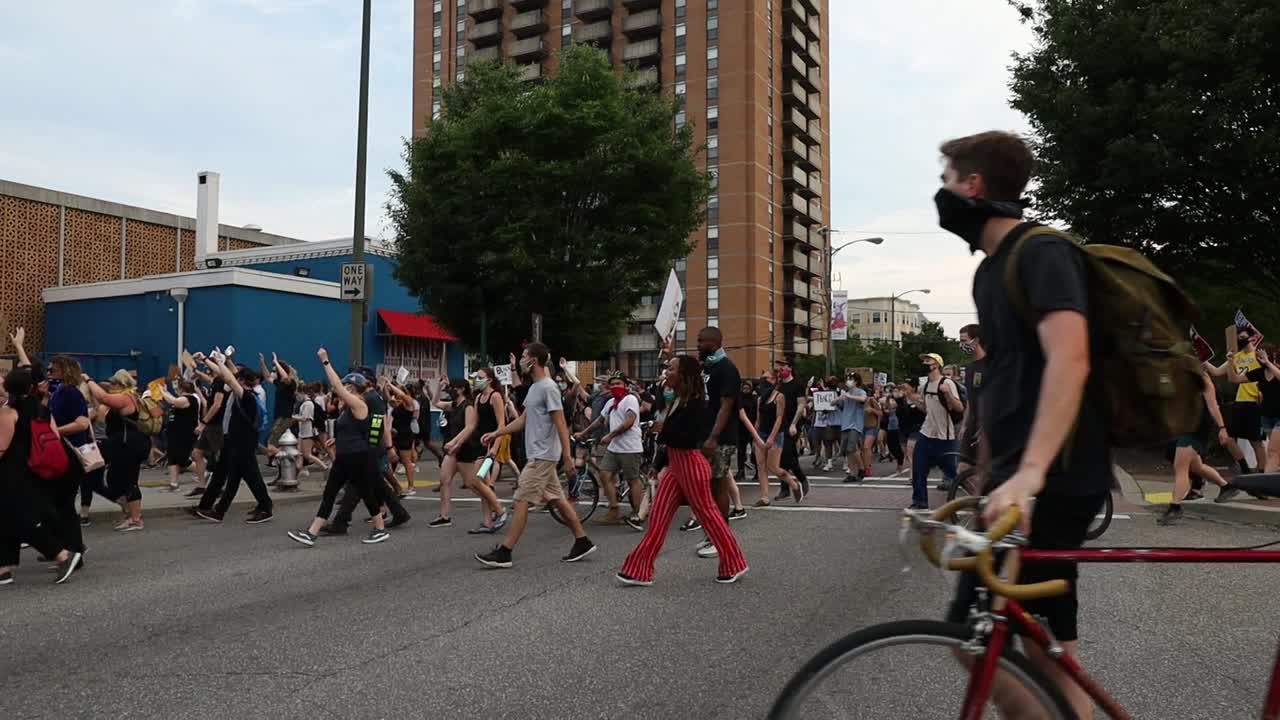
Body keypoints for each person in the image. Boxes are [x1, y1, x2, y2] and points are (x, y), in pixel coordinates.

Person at [935, 130, 1112, 719]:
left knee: (979, 635)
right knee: (1042, 646)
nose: (943, 193)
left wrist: (1031, 472)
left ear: (974, 185)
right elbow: (1010, 378)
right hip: (1020, 475)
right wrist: (986, 471)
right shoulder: (989, 273)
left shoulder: (1042, 251)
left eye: (947, 180)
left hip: (1058, 473)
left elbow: (1071, 356)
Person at [617, 355, 749, 586]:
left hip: (692, 466)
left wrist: (663, 428)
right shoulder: (677, 399)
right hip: (676, 468)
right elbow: (670, 443)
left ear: (684, 375)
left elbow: (690, 439)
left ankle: (734, 563)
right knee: (657, 519)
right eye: (668, 368)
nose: (667, 372)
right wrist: (657, 465)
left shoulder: (698, 403)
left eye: (672, 369)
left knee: (710, 518)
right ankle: (639, 570)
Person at [474, 343, 595, 569]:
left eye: (523, 357)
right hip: (539, 455)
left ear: (534, 361)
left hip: (543, 456)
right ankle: (582, 540)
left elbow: (560, 423)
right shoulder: (535, 388)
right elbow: (523, 420)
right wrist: (497, 432)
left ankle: (505, 551)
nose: (520, 361)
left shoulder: (549, 388)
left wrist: (567, 458)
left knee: (520, 499)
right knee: (557, 499)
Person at [287, 349, 390, 547]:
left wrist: (326, 362)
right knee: (332, 492)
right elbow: (351, 428)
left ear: (353, 388)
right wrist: (336, 440)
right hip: (346, 456)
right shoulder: (349, 409)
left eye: (347, 386)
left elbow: (335, 385)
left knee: (366, 493)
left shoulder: (360, 404)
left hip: (358, 456)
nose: (343, 388)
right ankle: (312, 533)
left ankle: (379, 529)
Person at [0, 367, 83, 585]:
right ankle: (4, 567)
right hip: (36, 469)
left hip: (11, 473)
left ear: (8, 388)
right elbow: (54, 437)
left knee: (19, 519)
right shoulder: (42, 409)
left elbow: (1, 447)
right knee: (8, 518)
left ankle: (62, 554)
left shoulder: (8, 412)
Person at [194, 357, 275, 524]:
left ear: (242, 381)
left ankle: (266, 507)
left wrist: (221, 362)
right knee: (235, 478)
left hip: (244, 444)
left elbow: (229, 378)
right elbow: (228, 377)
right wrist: (214, 362)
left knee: (252, 477)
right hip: (237, 442)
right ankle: (220, 511)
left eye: (237, 379)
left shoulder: (249, 398)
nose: (232, 381)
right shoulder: (244, 397)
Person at [1161, 368, 1241, 524]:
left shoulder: (1203, 379)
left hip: (1197, 427)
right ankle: (1226, 487)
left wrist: (1222, 428)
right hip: (1184, 426)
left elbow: (1213, 406)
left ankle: (1175, 507)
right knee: (1196, 466)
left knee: (1181, 467)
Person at [85, 369, 150, 531]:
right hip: (121, 444)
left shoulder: (127, 397)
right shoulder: (121, 398)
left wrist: (88, 379)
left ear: (121, 384)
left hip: (129, 444)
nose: (110, 385)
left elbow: (103, 397)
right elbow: (99, 406)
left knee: (129, 480)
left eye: (113, 383)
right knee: (115, 478)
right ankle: (129, 514)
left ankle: (136, 519)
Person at [576, 372, 644, 525]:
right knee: (604, 475)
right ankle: (614, 510)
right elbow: (599, 421)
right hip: (614, 448)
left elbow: (629, 421)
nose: (615, 387)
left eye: (618, 384)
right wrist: (584, 433)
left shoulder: (630, 399)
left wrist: (610, 436)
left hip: (630, 447)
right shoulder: (611, 402)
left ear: (625, 385)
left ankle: (637, 513)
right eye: (612, 384)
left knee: (633, 480)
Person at [46, 356, 97, 548]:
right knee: (59, 503)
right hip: (63, 452)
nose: (49, 373)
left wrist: (54, 431)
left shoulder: (70, 393)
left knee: (64, 503)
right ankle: (63, 547)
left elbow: (82, 423)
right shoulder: (59, 391)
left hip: (71, 453)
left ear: (64, 371)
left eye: (52, 370)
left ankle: (72, 549)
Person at [902, 353, 962, 508]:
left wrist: (948, 393)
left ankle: (976, 497)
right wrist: (913, 397)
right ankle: (919, 501)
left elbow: (960, 407)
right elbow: (927, 410)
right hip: (927, 433)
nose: (924, 362)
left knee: (952, 473)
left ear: (936, 365)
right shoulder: (925, 386)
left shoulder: (947, 382)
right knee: (918, 468)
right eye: (923, 360)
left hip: (945, 436)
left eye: (927, 360)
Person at [741, 370, 802, 506]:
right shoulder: (760, 398)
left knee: (773, 467)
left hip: (775, 434)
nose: (763, 380)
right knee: (761, 466)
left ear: (774, 380)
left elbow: (779, 418)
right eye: (762, 378)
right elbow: (758, 419)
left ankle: (794, 484)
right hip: (761, 433)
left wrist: (771, 437)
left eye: (766, 378)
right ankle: (764, 497)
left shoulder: (779, 397)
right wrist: (755, 436)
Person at [772, 357, 810, 500]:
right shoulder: (779, 386)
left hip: (792, 425)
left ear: (790, 368)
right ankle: (800, 479)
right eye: (779, 368)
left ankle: (786, 487)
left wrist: (794, 424)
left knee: (785, 455)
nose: (780, 370)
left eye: (783, 367)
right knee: (790, 457)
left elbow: (801, 405)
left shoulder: (797, 385)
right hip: (780, 424)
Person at [159, 380, 201, 492]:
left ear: (182, 390)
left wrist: (162, 392)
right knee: (172, 458)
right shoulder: (183, 399)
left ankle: (204, 472)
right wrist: (166, 391)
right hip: (175, 434)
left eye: (178, 388)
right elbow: (174, 399)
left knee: (182, 459)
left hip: (183, 434)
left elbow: (173, 401)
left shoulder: (189, 399)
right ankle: (174, 484)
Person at [261, 352, 300, 473]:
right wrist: (262, 362)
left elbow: (286, 378)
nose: (273, 372)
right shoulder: (279, 384)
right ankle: (283, 471)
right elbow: (267, 377)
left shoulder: (290, 384)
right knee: (276, 445)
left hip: (284, 417)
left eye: (275, 370)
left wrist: (277, 363)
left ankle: (293, 461)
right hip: (279, 417)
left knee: (271, 446)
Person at [837, 373, 868, 484]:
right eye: (847, 379)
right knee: (847, 451)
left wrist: (848, 396)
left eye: (851, 379)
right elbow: (836, 404)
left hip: (855, 424)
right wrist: (838, 399)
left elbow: (863, 399)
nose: (848, 381)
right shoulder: (845, 393)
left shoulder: (860, 392)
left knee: (851, 448)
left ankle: (861, 469)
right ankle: (853, 472)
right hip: (845, 424)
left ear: (856, 381)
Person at [735, 379, 758, 483]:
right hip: (741, 428)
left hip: (752, 428)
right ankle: (741, 471)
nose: (745, 390)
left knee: (755, 451)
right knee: (741, 451)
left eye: (747, 388)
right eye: (744, 388)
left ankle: (758, 471)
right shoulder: (739, 399)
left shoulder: (754, 399)